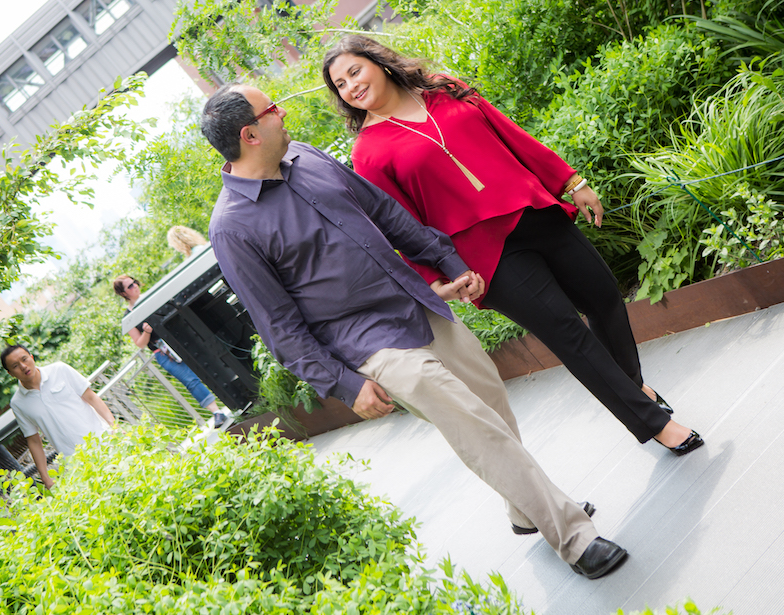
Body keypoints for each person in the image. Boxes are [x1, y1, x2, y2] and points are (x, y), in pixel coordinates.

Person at [200, 83, 629, 579]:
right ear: (250, 134)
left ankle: (523, 510)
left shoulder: (307, 156)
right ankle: (574, 537)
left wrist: (447, 260)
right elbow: (279, 326)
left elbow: (385, 213)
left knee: (490, 400)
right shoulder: (232, 228)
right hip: (369, 343)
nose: (282, 111)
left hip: (419, 305)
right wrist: (344, 384)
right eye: (271, 108)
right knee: (471, 421)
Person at [321, 35, 703, 455]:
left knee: (605, 297)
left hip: (533, 210)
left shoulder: (442, 88)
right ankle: (654, 424)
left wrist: (569, 180)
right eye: (340, 84)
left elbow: (511, 135)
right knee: (569, 335)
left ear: (378, 62)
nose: (351, 86)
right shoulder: (368, 153)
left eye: (354, 71)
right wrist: (438, 276)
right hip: (485, 259)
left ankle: (632, 388)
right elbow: (399, 227)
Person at [113, 275, 231, 428]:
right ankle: (216, 412)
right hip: (163, 352)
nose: (135, 286)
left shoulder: (151, 298)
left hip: (180, 339)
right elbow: (140, 343)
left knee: (210, 366)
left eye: (134, 282)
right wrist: (146, 332)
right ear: (123, 293)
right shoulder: (128, 317)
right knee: (190, 380)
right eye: (129, 286)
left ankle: (231, 397)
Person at [1, 344, 116, 489]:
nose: (23, 366)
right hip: (75, 463)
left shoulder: (60, 370)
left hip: (104, 442)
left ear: (32, 357)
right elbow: (34, 440)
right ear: (10, 373)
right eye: (16, 366)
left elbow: (91, 397)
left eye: (25, 359)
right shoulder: (18, 403)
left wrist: (114, 426)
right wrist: (45, 477)